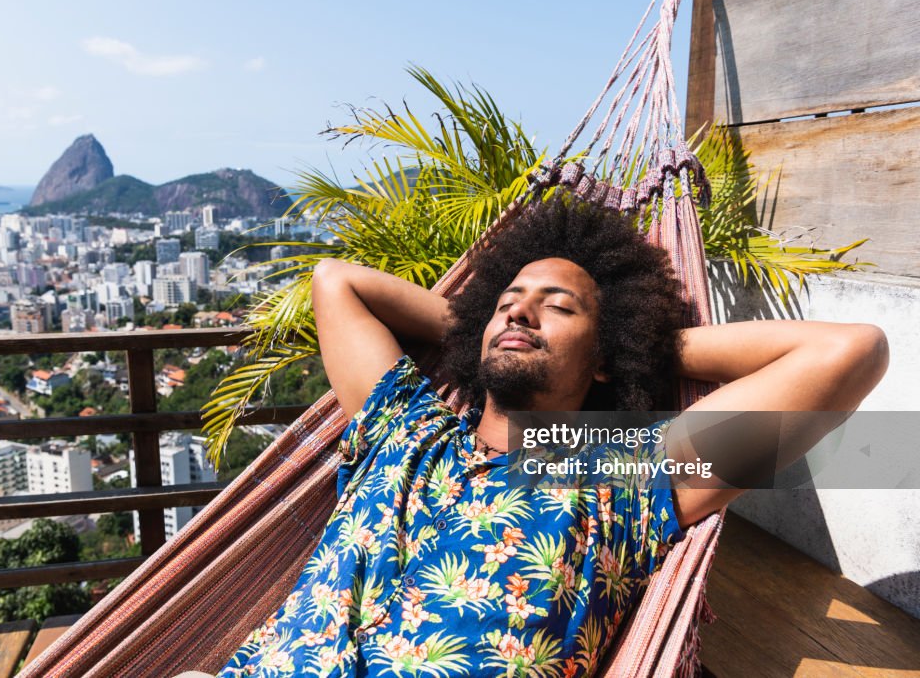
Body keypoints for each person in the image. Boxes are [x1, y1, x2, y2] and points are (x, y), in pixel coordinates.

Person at [206, 194, 887, 677]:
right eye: (507, 300)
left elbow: (850, 353)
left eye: (558, 306)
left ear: (602, 359)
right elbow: (337, 281)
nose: (522, 308)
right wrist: (491, 332)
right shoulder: (406, 428)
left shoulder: (629, 473)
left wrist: (641, 347)